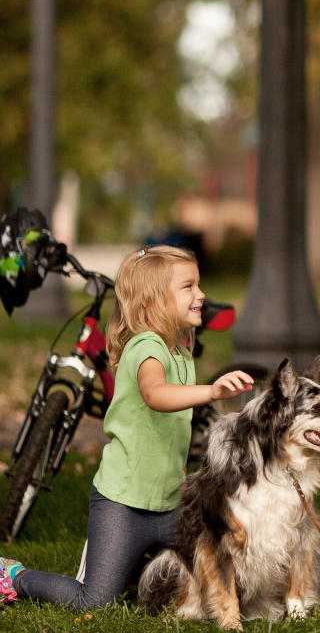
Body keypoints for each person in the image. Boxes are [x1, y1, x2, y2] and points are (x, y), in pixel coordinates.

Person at [0, 246, 253, 609]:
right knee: (95, 600)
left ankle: (135, 568)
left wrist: (180, 478)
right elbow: (155, 394)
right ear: (153, 300)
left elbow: (171, 433)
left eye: (199, 285)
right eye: (188, 286)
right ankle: (15, 577)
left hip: (169, 508)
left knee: (208, 581)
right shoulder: (146, 346)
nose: (200, 295)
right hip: (122, 507)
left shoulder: (181, 354)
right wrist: (212, 391)